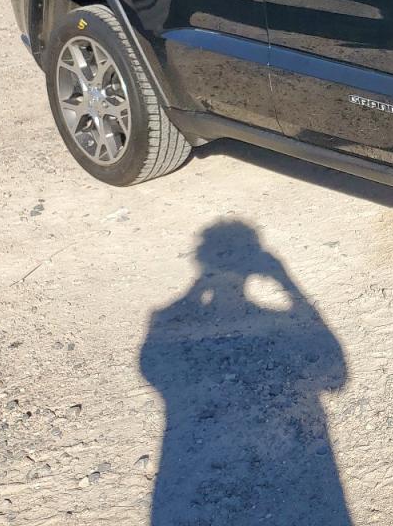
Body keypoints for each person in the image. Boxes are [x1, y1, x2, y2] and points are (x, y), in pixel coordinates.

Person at [139, 221, 351, 524]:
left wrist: (198, 287)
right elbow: (337, 375)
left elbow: (151, 365)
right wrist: (286, 282)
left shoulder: (167, 320)